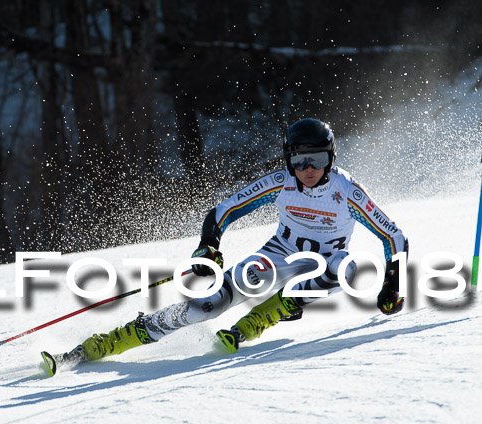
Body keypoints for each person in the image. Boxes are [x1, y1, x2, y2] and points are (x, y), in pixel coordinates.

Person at [51, 118, 408, 366]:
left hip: (325, 260)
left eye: (317, 158)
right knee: (207, 306)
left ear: (331, 158)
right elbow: (223, 211)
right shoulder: (279, 182)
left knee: (345, 268)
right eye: (299, 159)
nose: (308, 168)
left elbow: (394, 236)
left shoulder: (346, 190)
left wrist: (392, 284)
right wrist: (209, 246)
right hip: (278, 254)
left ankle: (269, 314)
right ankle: (110, 341)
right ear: (289, 159)